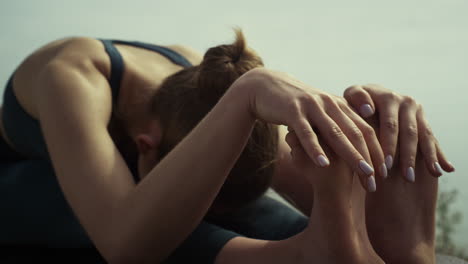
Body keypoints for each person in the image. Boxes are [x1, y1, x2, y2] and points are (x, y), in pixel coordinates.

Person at [0, 28, 455, 263]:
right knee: (159, 226)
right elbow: (124, 247)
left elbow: (316, 182)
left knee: (312, 230)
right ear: (146, 145)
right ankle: (300, 258)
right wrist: (252, 88)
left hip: (184, 156)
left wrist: (370, 167)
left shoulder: (211, 86)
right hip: (22, 182)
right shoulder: (74, 76)